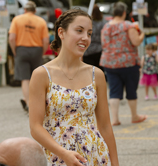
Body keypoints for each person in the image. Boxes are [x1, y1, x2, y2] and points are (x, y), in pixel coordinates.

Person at [29, 9, 119, 166]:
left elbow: (105, 126)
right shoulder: (42, 74)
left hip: (95, 155)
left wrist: (115, 163)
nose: (85, 38)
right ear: (61, 33)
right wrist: (63, 154)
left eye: (89, 33)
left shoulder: (96, 74)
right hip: (56, 157)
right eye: (79, 31)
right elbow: (35, 127)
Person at [100, 1, 146, 126]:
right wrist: (142, 35)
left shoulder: (106, 27)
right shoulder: (128, 26)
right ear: (124, 13)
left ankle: (114, 119)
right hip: (128, 62)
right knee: (131, 90)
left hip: (109, 62)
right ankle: (134, 116)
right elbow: (136, 42)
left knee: (114, 91)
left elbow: (104, 44)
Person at [8, 1, 49, 112]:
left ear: (25, 10)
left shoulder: (17, 20)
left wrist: (14, 51)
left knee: (25, 78)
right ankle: (38, 101)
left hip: (21, 49)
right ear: (35, 10)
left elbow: (11, 38)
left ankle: (28, 102)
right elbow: (45, 41)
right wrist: (42, 52)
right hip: (37, 49)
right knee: (36, 78)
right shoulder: (41, 21)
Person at [83, 4, 106, 71]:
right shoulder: (103, 23)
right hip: (99, 50)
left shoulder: (88, 23)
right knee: (99, 71)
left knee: (89, 73)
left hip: (88, 50)